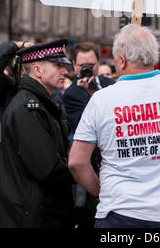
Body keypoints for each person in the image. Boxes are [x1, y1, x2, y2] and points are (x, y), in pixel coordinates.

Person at [68, 24, 160, 228]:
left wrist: (100, 191)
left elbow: (76, 161)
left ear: (121, 60)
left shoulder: (101, 99)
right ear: (153, 57)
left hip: (118, 212)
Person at [0, 39, 75, 228]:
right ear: (38, 71)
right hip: (32, 216)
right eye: (57, 65)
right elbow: (48, 168)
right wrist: (83, 172)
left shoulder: (43, 103)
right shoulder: (27, 108)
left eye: (64, 65)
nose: (65, 71)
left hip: (42, 212)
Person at [63, 42, 115, 227]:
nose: (87, 69)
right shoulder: (72, 94)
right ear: (74, 66)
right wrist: (90, 93)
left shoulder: (110, 84)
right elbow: (89, 128)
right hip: (93, 165)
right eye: (82, 65)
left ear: (98, 63)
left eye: (91, 65)